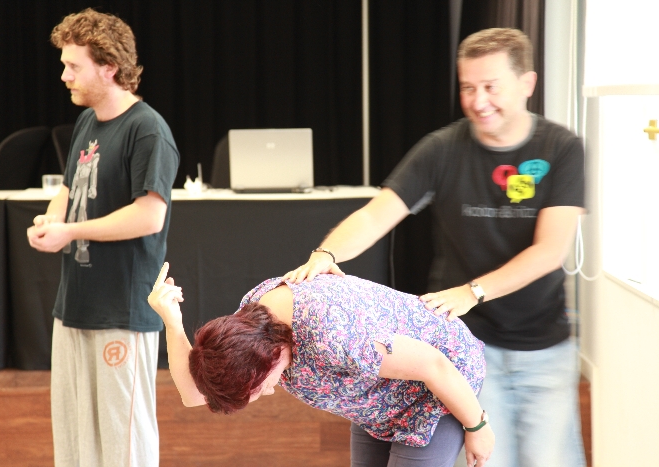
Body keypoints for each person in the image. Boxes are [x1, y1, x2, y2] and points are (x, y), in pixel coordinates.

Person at [284, 28, 586, 467]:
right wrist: (326, 254)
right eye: (468, 88)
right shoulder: (441, 150)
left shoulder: (562, 149)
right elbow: (375, 216)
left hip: (543, 348)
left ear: (527, 83)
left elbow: (550, 250)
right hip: (465, 346)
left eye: (491, 87)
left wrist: (473, 291)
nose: (479, 101)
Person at [149, 262, 494, 467]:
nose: (266, 394)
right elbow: (194, 395)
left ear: (269, 359)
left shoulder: (331, 333)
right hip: (376, 400)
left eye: (259, 388)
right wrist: (173, 322)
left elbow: (434, 365)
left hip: (436, 389)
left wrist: (477, 426)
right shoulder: (249, 323)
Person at [27, 8, 179, 467]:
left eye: (74, 66)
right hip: (75, 306)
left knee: (122, 442)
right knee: (74, 440)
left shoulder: (147, 129)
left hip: (122, 312)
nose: (64, 76)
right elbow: (68, 188)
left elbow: (149, 216)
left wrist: (70, 231)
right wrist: (51, 219)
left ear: (109, 67)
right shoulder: (87, 121)